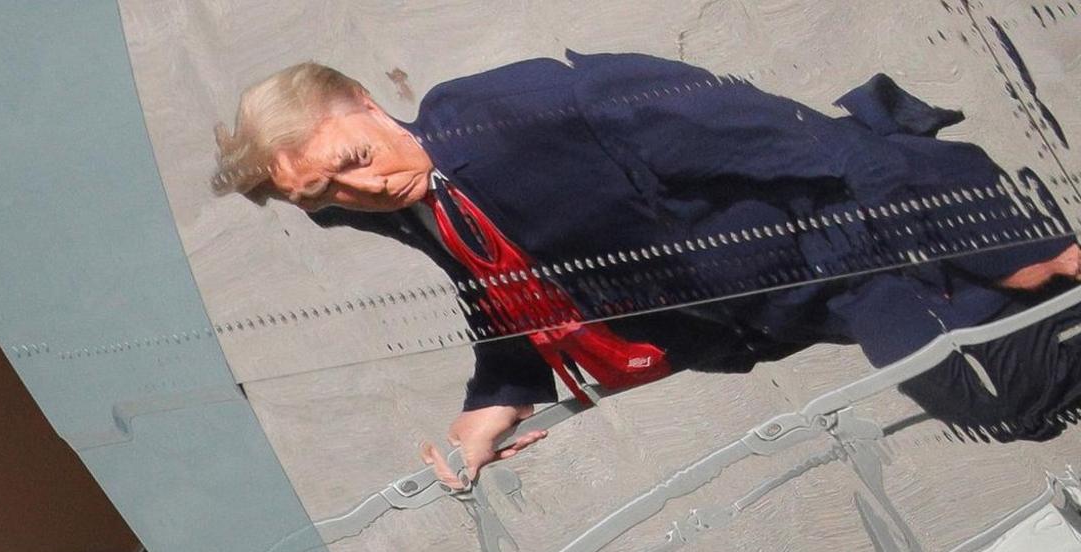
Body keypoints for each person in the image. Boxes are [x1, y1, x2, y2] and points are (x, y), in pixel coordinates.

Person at [213, 55, 1081, 489]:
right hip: (789, 308)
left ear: (368, 103)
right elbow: (499, 289)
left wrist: (994, 234)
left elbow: (794, 138)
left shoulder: (533, 112)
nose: (360, 190)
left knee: (993, 390)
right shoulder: (404, 200)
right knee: (1009, 401)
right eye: (321, 196)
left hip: (859, 245)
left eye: (353, 160)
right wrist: (491, 405)